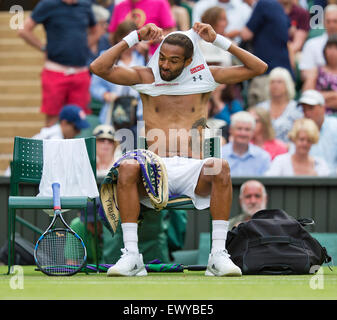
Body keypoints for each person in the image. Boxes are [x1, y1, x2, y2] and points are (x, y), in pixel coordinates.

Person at [90, 22, 267, 277]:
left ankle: (217, 256)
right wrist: (134, 37)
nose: (164, 65)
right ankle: (131, 256)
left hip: (193, 171)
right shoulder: (146, 76)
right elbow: (98, 67)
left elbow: (258, 67)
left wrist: (217, 40)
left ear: (188, 61)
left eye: (173, 61)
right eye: (162, 58)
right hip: (153, 170)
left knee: (221, 167)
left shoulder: (206, 76)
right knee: (127, 166)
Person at [18, 0, 98, 127]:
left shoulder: (85, 5)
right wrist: (43, 47)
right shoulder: (47, 5)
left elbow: (96, 30)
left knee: (79, 119)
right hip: (55, 71)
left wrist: (83, 47)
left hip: (80, 72)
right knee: (53, 118)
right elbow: (23, 30)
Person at [3, 105, 90, 177]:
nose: (79, 132)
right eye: (76, 128)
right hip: (19, 183)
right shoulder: (54, 139)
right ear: (64, 123)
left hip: (24, 180)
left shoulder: (54, 134)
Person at [241, 0, 293, 106]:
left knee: (264, 114)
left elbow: (246, 34)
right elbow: (291, 30)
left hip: (267, 73)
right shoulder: (277, 5)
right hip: (284, 70)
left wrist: (230, 34)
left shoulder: (263, 4)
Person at [107, 0, 177, 56]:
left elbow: (171, 32)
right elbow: (112, 36)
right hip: (124, 60)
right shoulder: (120, 6)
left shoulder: (159, 2)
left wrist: (147, 41)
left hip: (153, 58)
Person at [265, 118, 330, 176]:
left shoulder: (320, 164)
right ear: (294, 139)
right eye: (301, 139)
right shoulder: (280, 161)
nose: (305, 143)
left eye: (309, 140)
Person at [257, 67, 303, 143]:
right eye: (272, 82)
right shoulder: (261, 108)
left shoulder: (296, 108)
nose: (275, 85)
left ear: (287, 85)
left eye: (279, 82)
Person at [297, 89, 337, 175]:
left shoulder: (335, 126)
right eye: (304, 109)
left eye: (311, 108)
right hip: (306, 181)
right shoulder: (299, 129)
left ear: (323, 108)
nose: (307, 113)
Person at [221, 111, 271, 176]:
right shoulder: (220, 155)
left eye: (247, 129)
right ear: (231, 130)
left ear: (253, 132)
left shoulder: (263, 157)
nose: (243, 133)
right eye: (239, 129)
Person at [299, 4, 337, 82]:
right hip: (318, 89)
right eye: (328, 21)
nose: (332, 25)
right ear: (323, 22)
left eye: (335, 21)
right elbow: (304, 74)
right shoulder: (311, 44)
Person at [302, 34, 337, 115]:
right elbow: (307, 95)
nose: (332, 52)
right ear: (324, 50)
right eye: (329, 47)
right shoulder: (316, 70)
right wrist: (334, 95)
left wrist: (319, 99)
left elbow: (314, 98)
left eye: (336, 48)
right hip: (318, 114)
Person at [278, 0, 310, 69]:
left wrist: (288, 50)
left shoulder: (302, 13)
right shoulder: (269, 10)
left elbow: (297, 44)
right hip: (272, 51)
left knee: (299, 59)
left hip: (292, 52)